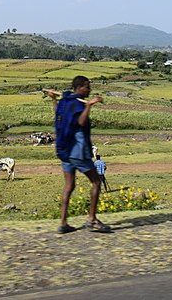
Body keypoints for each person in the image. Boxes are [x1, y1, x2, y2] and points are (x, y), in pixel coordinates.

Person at [45, 76, 111, 234]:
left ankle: (63, 223)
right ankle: (92, 220)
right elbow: (81, 122)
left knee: (69, 186)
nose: (89, 90)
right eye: (87, 87)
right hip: (77, 151)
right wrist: (89, 105)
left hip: (64, 150)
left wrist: (53, 99)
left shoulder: (65, 101)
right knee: (96, 181)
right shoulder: (77, 103)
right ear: (79, 87)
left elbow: (58, 115)